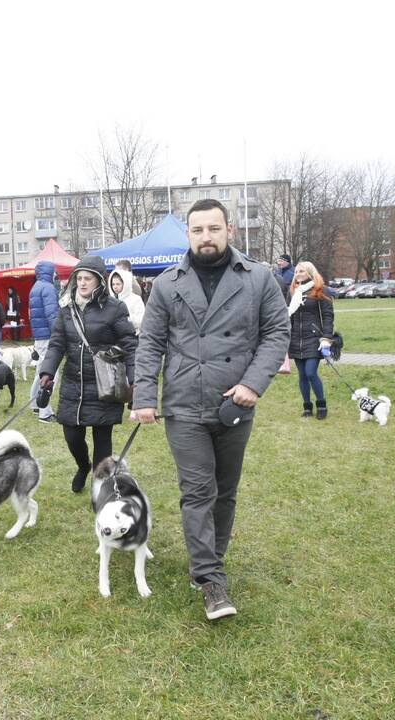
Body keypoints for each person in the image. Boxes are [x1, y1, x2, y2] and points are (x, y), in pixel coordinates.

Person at [132, 198, 288, 621]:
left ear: (229, 231)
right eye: (198, 230)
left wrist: (253, 384)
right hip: (183, 405)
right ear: (188, 234)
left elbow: (277, 333)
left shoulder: (258, 278)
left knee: (225, 490)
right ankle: (211, 580)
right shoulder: (167, 283)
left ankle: (208, 561)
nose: (206, 237)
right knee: (198, 491)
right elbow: (150, 342)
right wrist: (144, 396)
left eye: (214, 229)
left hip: (235, 403)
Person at [37, 255, 138, 493]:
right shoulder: (66, 307)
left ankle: (101, 486)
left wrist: (136, 381)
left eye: (87, 279)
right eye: (79, 278)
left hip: (106, 384)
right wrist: (47, 371)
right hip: (73, 382)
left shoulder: (114, 309)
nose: (82, 283)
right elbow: (56, 344)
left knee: (102, 440)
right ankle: (83, 466)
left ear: (99, 281)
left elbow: (131, 345)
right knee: (72, 436)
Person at [287, 261, 335, 419]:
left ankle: (322, 404)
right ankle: (307, 406)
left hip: (314, 338)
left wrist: (326, 338)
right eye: (296, 272)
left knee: (310, 372)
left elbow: (328, 316)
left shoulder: (321, 289)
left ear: (309, 272)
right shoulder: (294, 291)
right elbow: (289, 316)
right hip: (296, 338)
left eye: (301, 271)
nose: (297, 274)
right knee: (302, 375)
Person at [28, 261, 60, 422]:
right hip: (48, 336)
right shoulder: (48, 288)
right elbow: (52, 314)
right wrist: (59, 334)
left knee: (40, 372)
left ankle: (34, 404)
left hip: (40, 336)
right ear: (50, 271)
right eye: (54, 271)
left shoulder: (35, 287)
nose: (56, 274)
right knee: (50, 374)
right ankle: (45, 412)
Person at [108, 266, 145, 334]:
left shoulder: (136, 299)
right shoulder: (109, 300)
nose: (115, 287)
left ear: (124, 284)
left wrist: (125, 320)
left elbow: (141, 320)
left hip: (132, 335)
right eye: (113, 284)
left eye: (118, 284)